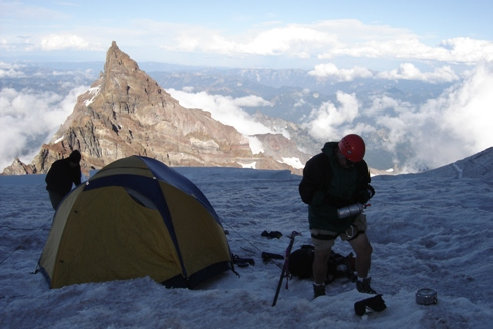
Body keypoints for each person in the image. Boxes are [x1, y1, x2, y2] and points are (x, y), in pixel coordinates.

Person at [298, 134, 376, 298]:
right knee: (322, 255)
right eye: (348, 161)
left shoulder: (359, 165)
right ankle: (319, 289)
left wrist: (364, 194)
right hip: (324, 218)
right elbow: (306, 194)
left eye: (354, 162)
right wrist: (328, 200)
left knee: (365, 250)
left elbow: (364, 185)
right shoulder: (318, 164)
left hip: (349, 216)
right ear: (340, 152)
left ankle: (363, 284)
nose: (351, 165)